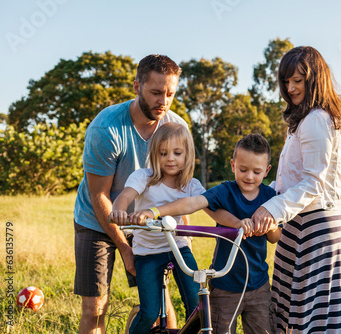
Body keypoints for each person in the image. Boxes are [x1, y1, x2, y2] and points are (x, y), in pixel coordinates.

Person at [73, 54, 188, 334]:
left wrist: (181, 238)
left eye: (170, 94)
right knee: (96, 308)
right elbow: (100, 195)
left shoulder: (176, 129)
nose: (164, 101)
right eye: (156, 92)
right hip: (97, 221)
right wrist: (125, 248)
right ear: (137, 87)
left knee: (161, 302)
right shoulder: (107, 128)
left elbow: (179, 190)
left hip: (148, 221)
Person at [251, 46, 341, 333]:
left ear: (315, 80)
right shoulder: (303, 120)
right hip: (299, 224)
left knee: (313, 318)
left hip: (316, 228)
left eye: (297, 81)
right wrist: (261, 197)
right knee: (297, 312)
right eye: (286, 81)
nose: (290, 88)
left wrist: (272, 209)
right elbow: (290, 179)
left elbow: (313, 182)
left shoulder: (316, 120)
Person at [127, 133, 280, 334]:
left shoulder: (270, 197)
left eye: (256, 171)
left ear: (267, 170)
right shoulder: (225, 191)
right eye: (243, 169)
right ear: (233, 165)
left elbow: (274, 238)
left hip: (259, 286)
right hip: (225, 286)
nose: (249, 176)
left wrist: (270, 225)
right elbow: (191, 203)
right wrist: (153, 212)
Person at [109, 123, 203, 333]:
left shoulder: (191, 185)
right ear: (154, 154)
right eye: (163, 153)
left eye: (177, 153)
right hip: (148, 253)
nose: (170, 158)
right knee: (150, 312)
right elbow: (125, 197)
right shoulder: (144, 177)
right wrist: (119, 211)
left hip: (179, 248)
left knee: (197, 308)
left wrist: (236, 221)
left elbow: (212, 204)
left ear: (187, 155)